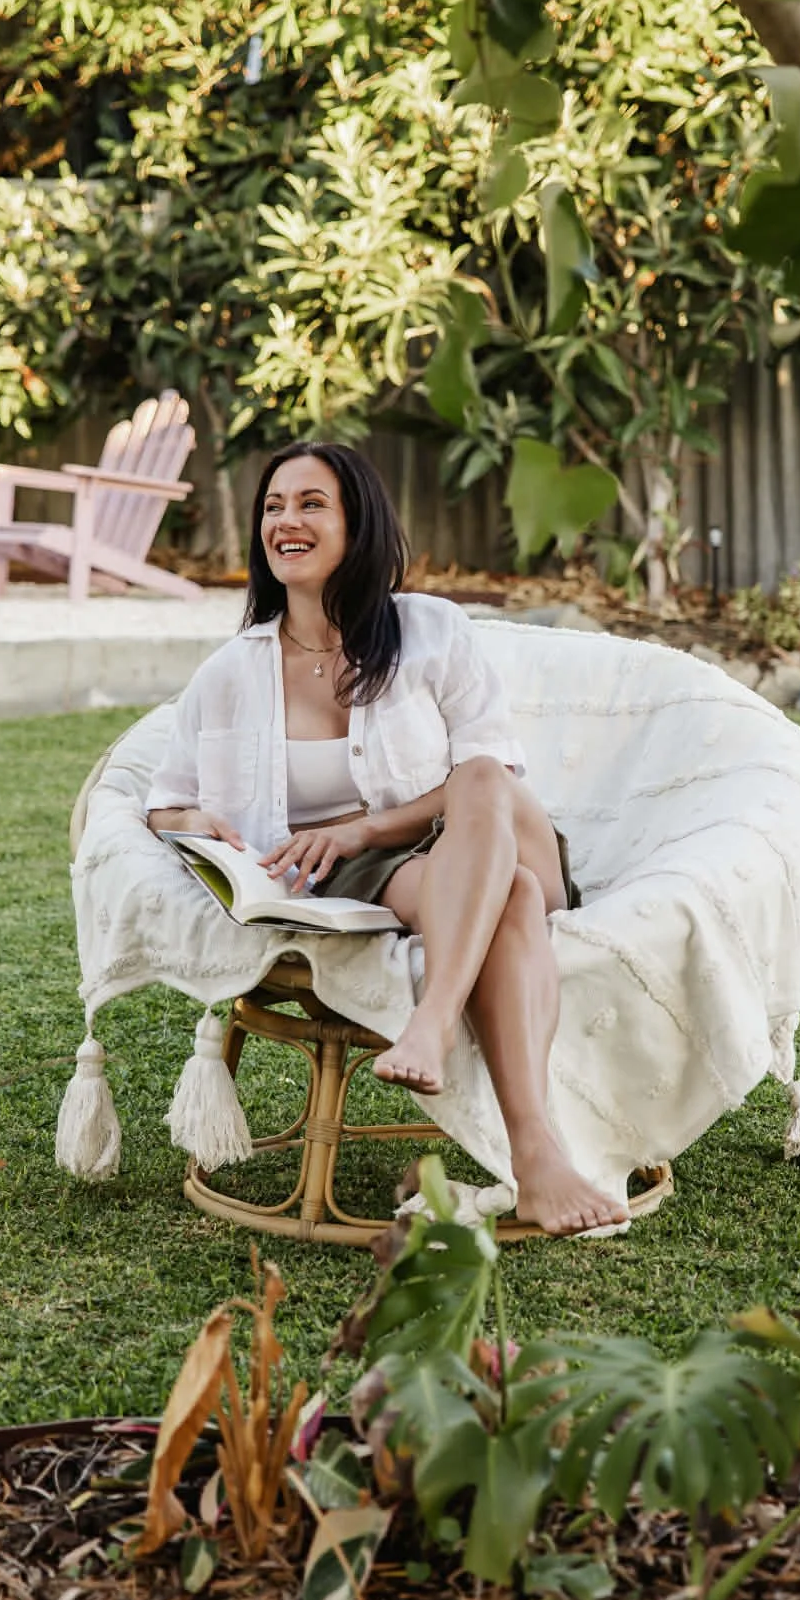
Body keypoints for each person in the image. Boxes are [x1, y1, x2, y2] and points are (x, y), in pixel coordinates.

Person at [144, 441, 628, 1237]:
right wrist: (198, 822)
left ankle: (432, 1019)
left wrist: (358, 826)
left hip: (486, 830)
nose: (285, 522)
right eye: (272, 506)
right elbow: (165, 802)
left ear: (355, 524)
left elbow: (497, 771)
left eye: (310, 504)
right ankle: (537, 1157)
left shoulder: (430, 629)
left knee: (479, 783)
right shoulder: (232, 670)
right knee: (500, 897)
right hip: (377, 876)